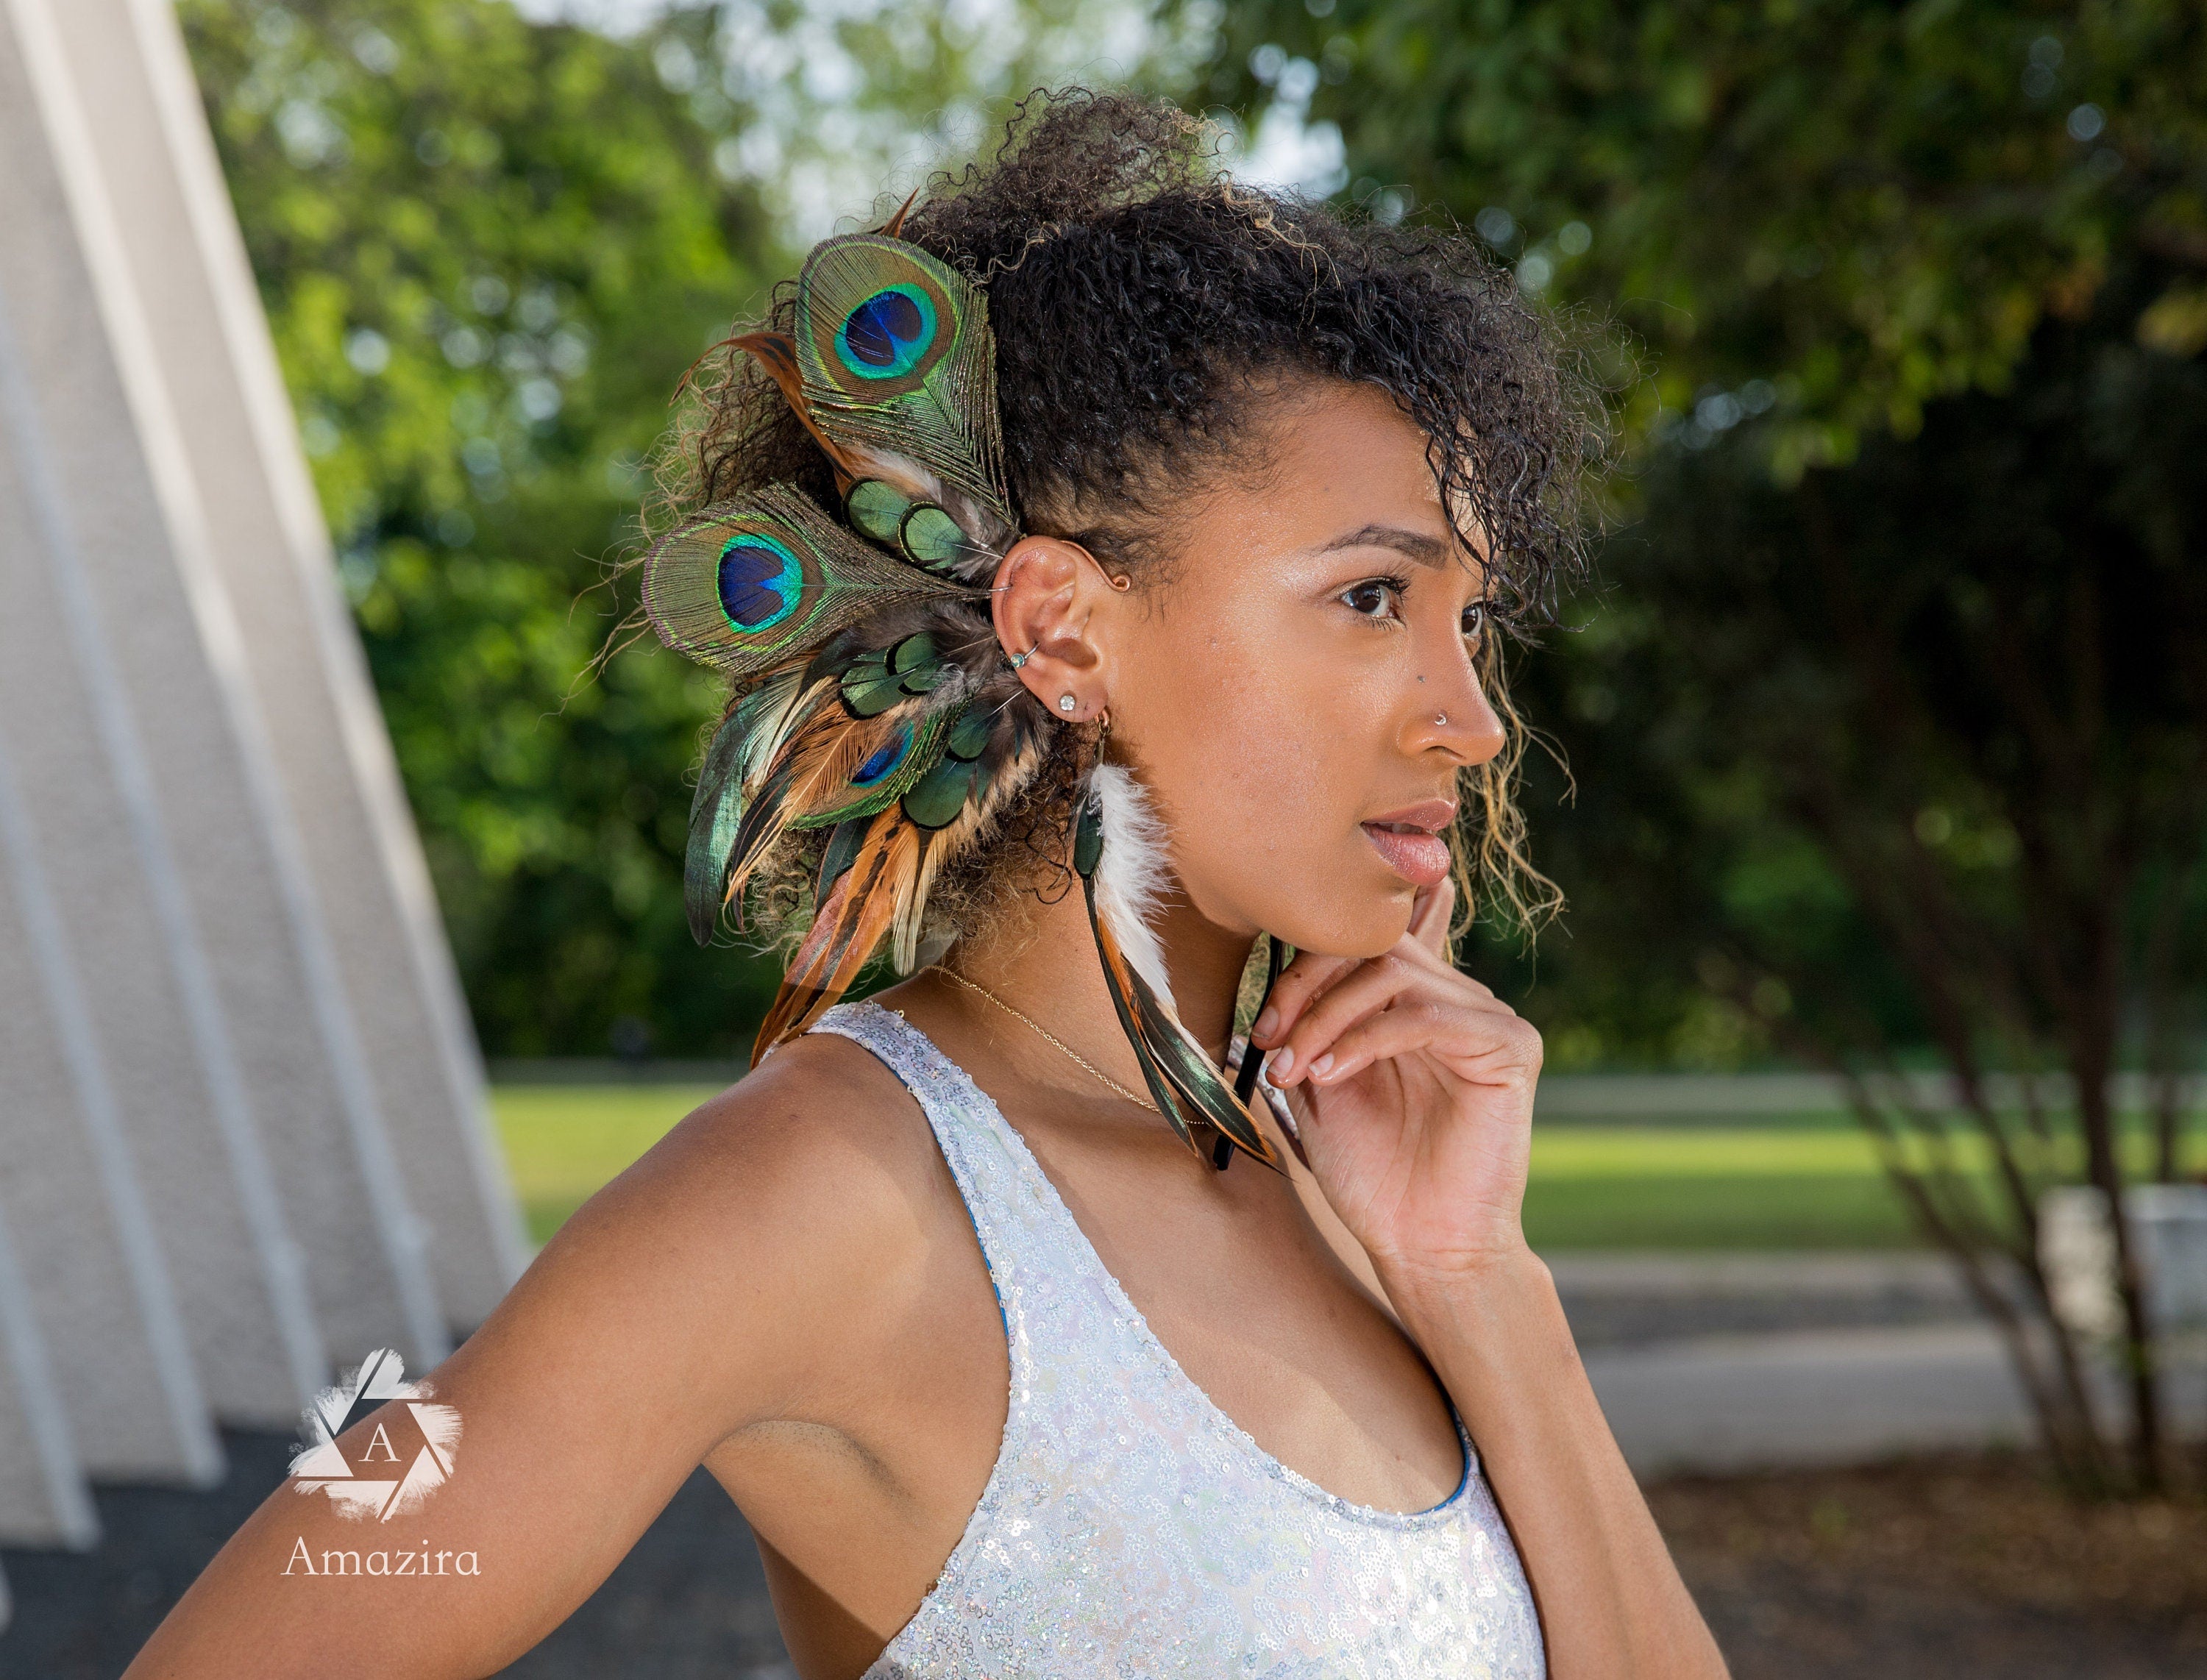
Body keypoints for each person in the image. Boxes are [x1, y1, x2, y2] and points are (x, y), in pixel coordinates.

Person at [127, 91, 1727, 1680]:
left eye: (1469, 621)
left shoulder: (1357, 1177)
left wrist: (1480, 1278)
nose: (1473, 717)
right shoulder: (831, 1191)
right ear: (1061, 628)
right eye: (1374, 596)